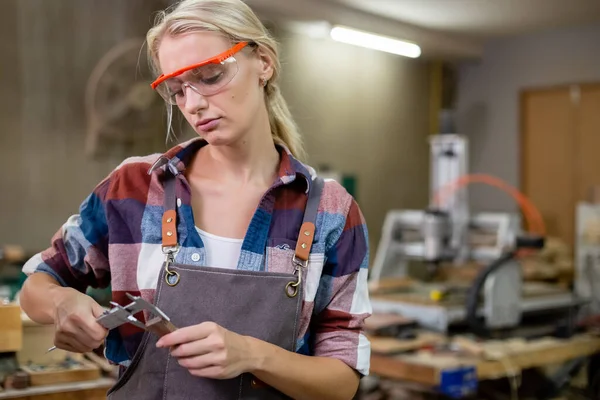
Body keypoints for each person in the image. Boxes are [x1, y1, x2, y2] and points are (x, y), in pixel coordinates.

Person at [19, 0, 372, 398]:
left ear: (264, 63)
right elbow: (37, 284)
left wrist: (252, 354)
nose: (194, 103)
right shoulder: (134, 188)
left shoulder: (330, 212)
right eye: (177, 89)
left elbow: (342, 382)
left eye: (210, 76)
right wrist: (62, 302)